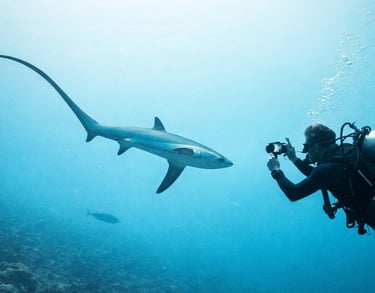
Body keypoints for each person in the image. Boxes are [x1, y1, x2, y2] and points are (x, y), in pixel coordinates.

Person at [267, 123, 375, 235]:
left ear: (317, 147)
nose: (306, 152)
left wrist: (275, 171)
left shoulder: (326, 169)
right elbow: (321, 177)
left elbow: (293, 193)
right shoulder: (346, 151)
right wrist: (294, 159)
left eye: (307, 147)